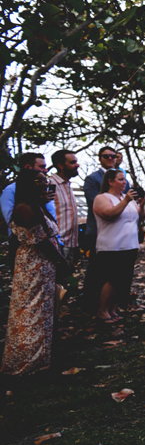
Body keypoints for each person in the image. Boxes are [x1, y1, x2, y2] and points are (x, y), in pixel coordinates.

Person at [2, 170, 62, 376]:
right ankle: (26, 360)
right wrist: (60, 260)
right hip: (33, 265)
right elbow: (40, 240)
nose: (44, 184)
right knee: (30, 310)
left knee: (43, 309)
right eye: (39, 182)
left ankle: (41, 356)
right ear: (28, 185)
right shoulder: (24, 208)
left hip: (44, 265)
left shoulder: (36, 205)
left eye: (45, 181)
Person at [92, 169, 145, 323]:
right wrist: (126, 201)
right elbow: (109, 215)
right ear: (110, 181)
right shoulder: (102, 198)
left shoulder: (126, 197)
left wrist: (141, 205)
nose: (125, 183)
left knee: (124, 280)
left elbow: (141, 217)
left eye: (125, 180)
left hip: (130, 244)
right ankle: (102, 310)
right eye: (121, 179)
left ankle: (113, 309)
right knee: (112, 279)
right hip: (111, 246)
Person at [82, 146, 122, 250]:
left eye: (113, 156)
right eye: (106, 156)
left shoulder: (123, 179)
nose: (110, 158)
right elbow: (94, 203)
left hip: (120, 229)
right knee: (96, 264)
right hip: (98, 229)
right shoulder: (92, 179)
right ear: (100, 159)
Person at [1, 152, 55, 225]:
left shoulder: (43, 188)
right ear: (28, 167)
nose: (46, 170)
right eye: (41, 167)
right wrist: (39, 203)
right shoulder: (11, 190)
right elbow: (12, 223)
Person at [48, 149, 80, 264]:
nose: (77, 165)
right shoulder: (50, 185)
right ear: (60, 165)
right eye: (72, 162)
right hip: (58, 244)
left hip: (71, 244)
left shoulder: (67, 185)